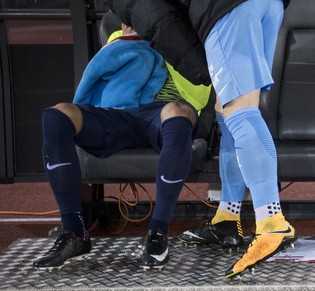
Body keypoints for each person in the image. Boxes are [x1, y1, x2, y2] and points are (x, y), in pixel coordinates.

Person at [88, 0, 294, 278]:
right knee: (230, 111)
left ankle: (272, 222)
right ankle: (228, 219)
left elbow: (160, 25)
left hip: (227, 0)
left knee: (239, 111)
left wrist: (203, 71)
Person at [33, 23, 211, 270]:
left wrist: (167, 38)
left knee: (176, 111)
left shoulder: (190, 33)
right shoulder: (121, 36)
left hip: (164, 114)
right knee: (57, 114)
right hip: (119, 114)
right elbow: (100, 79)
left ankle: (158, 233)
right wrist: (129, 40)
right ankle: (75, 232)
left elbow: (201, 82)